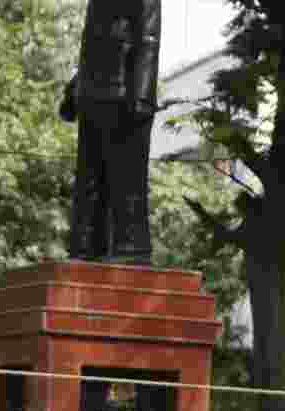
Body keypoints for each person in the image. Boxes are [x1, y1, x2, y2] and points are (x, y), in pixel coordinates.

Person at [60, 0, 159, 263]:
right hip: (91, 94)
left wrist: (141, 96)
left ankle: (131, 249)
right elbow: (91, 46)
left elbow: (148, 38)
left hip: (123, 94)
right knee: (88, 180)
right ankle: (84, 247)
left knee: (127, 178)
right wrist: (74, 91)